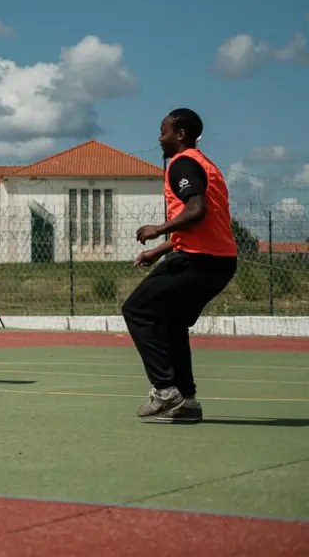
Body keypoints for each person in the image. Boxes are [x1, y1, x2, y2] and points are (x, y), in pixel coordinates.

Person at [126, 108, 237, 424]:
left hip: (196, 260)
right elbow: (202, 224)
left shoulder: (182, 163)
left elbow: (196, 210)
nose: (159, 139)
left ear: (180, 134)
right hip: (221, 262)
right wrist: (159, 251)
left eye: (163, 132)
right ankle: (187, 402)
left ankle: (165, 391)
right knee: (172, 322)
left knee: (136, 310)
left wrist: (158, 229)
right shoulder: (209, 167)